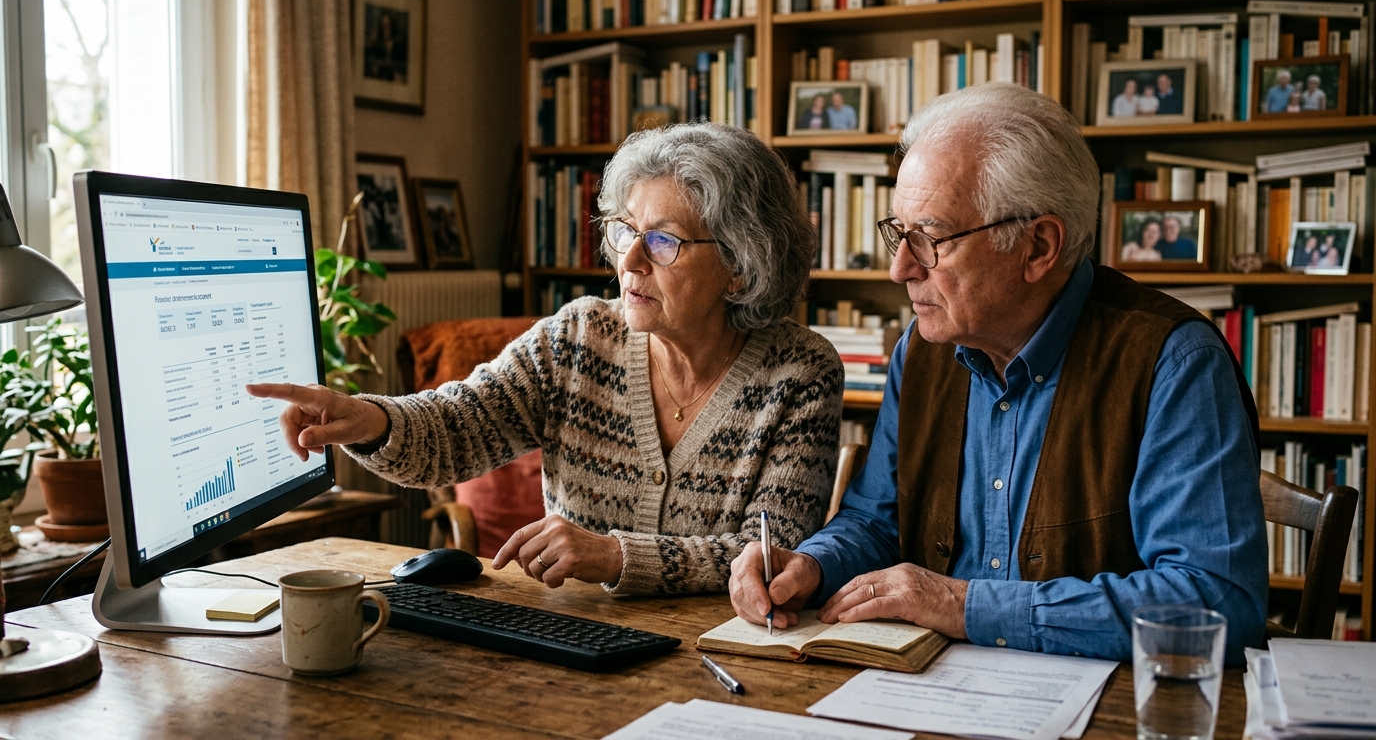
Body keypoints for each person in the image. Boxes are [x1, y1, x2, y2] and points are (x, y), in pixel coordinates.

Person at [727, 82, 1266, 665]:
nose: (899, 269)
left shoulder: (1173, 361)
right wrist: (814, 563)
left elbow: (1215, 602)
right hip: (928, 681)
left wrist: (965, 606)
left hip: (1105, 699)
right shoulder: (923, 349)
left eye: (929, 238)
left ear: (1039, 246)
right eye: (898, 233)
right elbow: (877, 521)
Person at [249, 123, 844, 596]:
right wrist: (369, 420)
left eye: (664, 240)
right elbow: (458, 428)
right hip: (573, 636)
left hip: (719, 652)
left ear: (740, 264)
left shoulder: (800, 372)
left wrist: (615, 556)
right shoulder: (580, 337)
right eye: (625, 230)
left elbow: (774, 553)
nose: (629, 260)